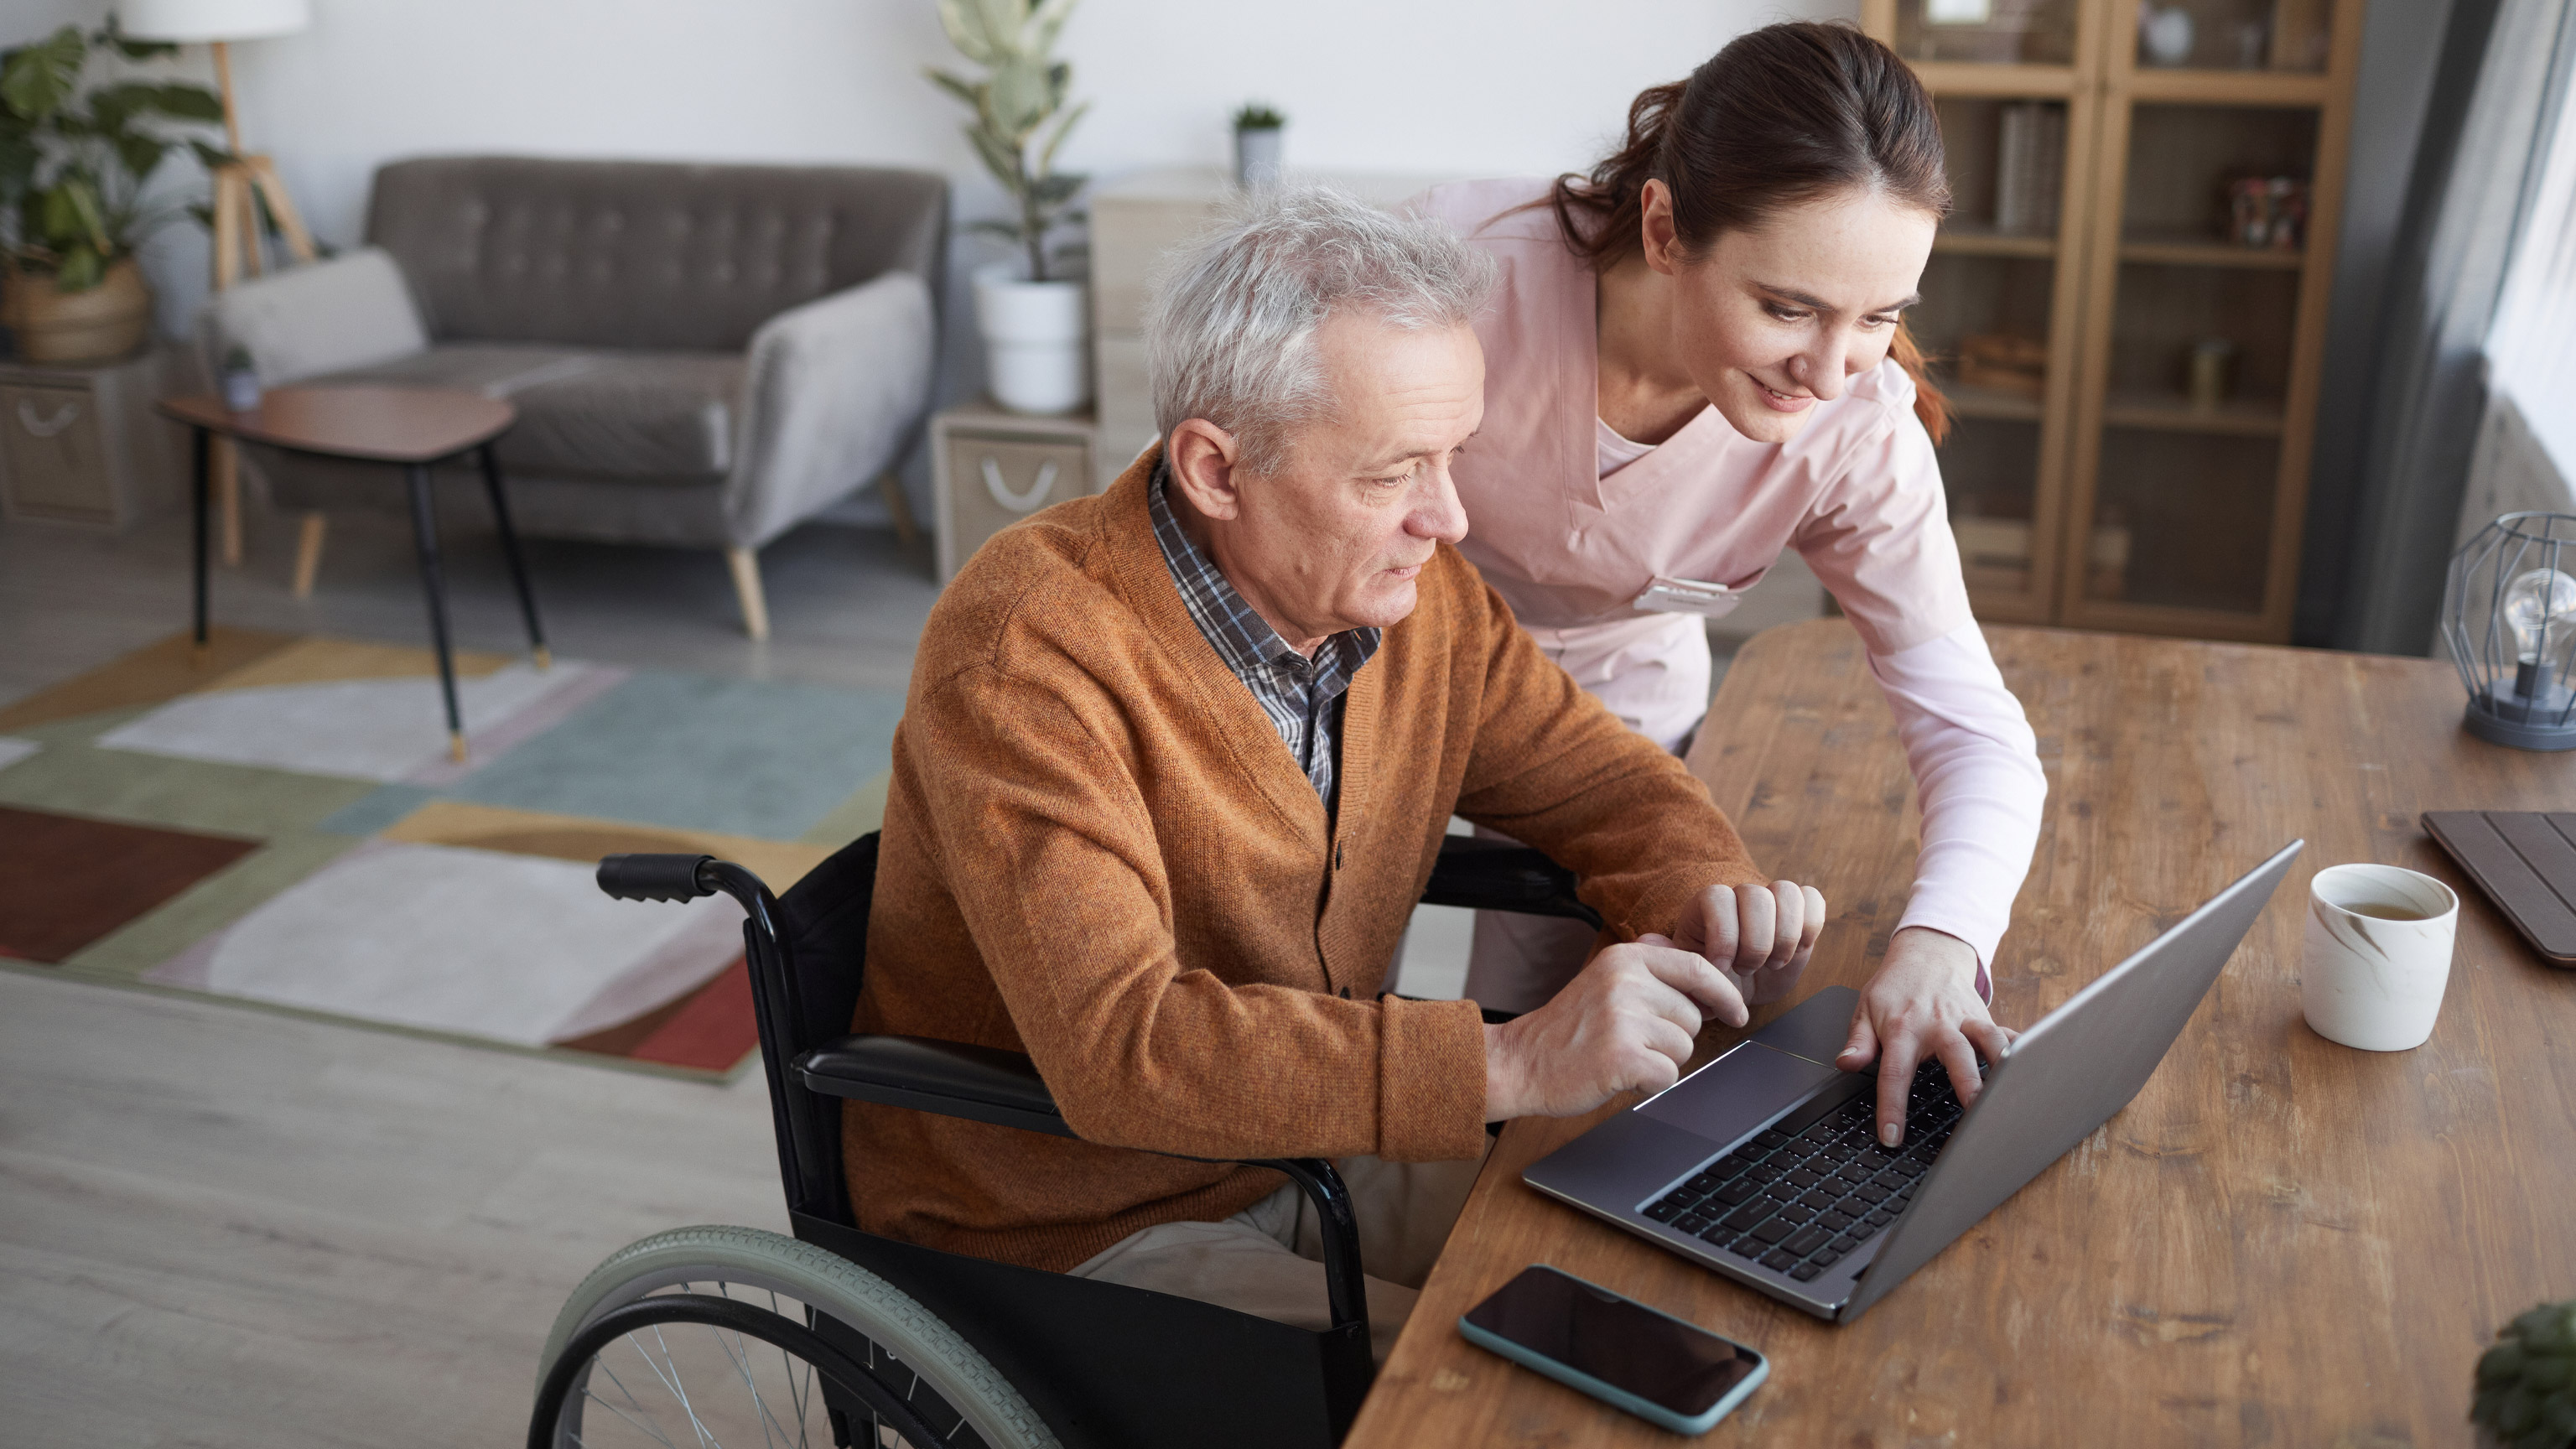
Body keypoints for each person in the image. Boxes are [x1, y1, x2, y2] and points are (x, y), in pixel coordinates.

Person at [842, 190, 1826, 1353]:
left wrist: (1705, 884)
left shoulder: (1414, 602)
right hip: (1074, 1219)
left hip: (1309, 1149)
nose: (1449, 518)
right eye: (1393, 474)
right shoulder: (1028, 652)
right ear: (1217, 469)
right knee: (1513, 1391)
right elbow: (1126, 1052)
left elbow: (1591, 778)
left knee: (1686, 1259)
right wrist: (1507, 1060)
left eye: (1455, 456)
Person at [1408, 21, 2046, 1149]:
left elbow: (1971, 724)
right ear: (1664, 228)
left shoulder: (1854, 430)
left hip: (1611, 731)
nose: (1830, 368)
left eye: (1881, 316)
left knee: (1573, 1087)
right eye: (1790, 308)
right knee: (1349, 1014)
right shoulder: (1453, 281)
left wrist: (1946, 940)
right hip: (1384, 682)